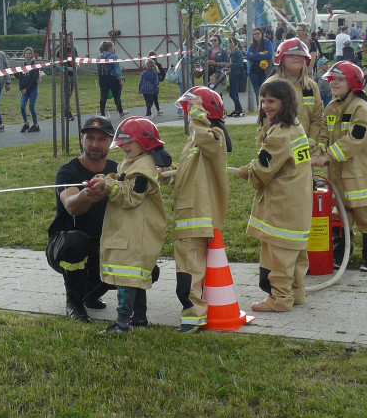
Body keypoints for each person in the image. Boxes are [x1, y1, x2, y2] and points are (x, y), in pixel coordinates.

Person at [88, 116, 170, 333]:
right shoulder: (134, 161)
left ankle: (122, 322)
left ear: (145, 142)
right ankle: (139, 319)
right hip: (128, 231)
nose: (123, 146)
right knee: (134, 277)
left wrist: (109, 185)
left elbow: (131, 195)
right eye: (121, 142)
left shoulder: (143, 168)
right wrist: (107, 178)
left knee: (126, 276)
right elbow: (121, 178)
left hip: (136, 234)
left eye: (128, 142)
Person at [236, 79, 312, 312]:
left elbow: (264, 169)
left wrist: (248, 172)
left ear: (285, 102)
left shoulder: (279, 135)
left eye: (271, 101)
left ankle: (279, 299)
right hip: (298, 200)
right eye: (262, 100)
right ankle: (296, 293)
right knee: (295, 252)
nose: (265, 106)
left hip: (282, 203)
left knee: (278, 252)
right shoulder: (296, 127)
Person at [162, 87, 231, 332]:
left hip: (196, 216)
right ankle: (194, 311)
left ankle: (193, 316)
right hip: (188, 213)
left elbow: (207, 142)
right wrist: (170, 172)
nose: (188, 113)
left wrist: (198, 114)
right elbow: (191, 170)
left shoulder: (213, 136)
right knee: (189, 269)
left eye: (191, 108)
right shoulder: (195, 138)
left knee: (188, 272)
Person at [313, 61, 367, 272]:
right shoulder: (332, 106)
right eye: (332, 79)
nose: (333, 83)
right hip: (339, 174)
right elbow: (323, 134)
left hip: (363, 173)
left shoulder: (360, 108)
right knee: (340, 215)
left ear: (353, 82)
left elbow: (354, 139)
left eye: (339, 79)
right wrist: (317, 152)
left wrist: (327, 156)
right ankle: (340, 253)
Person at [46, 115, 118, 322]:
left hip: (103, 244)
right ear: (81, 139)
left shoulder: (117, 170)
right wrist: (86, 195)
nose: (95, 144)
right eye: (90, 138)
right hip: (64, 243)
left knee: (150, 270)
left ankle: (90, 294)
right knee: (76, 241)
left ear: (111, 142)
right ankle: (74, 303)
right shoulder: (67, 171)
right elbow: (71, 206)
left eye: (102, 139)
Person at [262, 39, 324, 156]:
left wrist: (309, 145)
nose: (297, 57)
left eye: (300, 55)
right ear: (281, 58)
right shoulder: (270, 85)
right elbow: (265, 122)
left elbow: (316, 119)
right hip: (279, 149)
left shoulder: (311, 86)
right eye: (291, 55)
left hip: (304, 151)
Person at [96, 40, 127, 118]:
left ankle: (102, 114)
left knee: (103, 96)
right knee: (117, 95)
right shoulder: (113, 56)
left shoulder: (100, 57)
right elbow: (117, 69)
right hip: (112, 78)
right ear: (110, 47)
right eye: (113, 46)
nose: (114, 47)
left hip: (102, 78)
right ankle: (120, 111)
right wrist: (120, 80)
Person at [245, 27, 273, 111]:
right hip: (254, 71)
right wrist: (259, 53)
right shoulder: (252, 45)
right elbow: (248, 57)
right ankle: (259, 107)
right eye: (254, 34)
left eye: (258, 34)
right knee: (257, 90)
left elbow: (269, 55)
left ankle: (266, 107)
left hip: (265, 70)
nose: (256, 36)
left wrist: (254, 55)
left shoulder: (267, 43)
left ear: (262, 34)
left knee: (265, 89)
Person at [16, 47, 40, 132]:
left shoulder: (35, 65)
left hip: (32, 89)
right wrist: (22, 88)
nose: (28, 55)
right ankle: (26, 123)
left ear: (32, 55)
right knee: (22, 106)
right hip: (24, 90)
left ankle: (36, 124)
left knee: (31, 107)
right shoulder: (23, 66)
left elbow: (34, 79)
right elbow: (20, 78)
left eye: (29, 53)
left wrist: (27, 88)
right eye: (26, 53)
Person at [225, 36, 245, 117]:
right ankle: (237, 110)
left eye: (229, 42)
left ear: (232, 43)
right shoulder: (231, 52)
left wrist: (231, 65)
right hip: (232, 73)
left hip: (236, 74)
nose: (227, 44)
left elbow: (240, 64)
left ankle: (240, 109)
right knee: (235, 92)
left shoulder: (237, 52)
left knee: (232, 93)